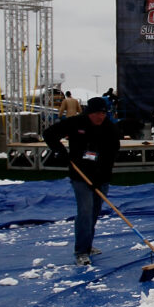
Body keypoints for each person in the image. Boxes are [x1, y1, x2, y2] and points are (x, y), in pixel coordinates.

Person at [43, 97, 121, 266]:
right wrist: (60, 151)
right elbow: (49, 134)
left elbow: (112, 154)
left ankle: (88, 244)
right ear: (89, 113)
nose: (100, 117)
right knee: (85, 211)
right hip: (80, 175)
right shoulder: (76, 123)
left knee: (94, 212)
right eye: (97, 114)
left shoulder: (110, 128)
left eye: (103, 113)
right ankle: (81, 251)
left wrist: (99, 177)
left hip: (101, 176)